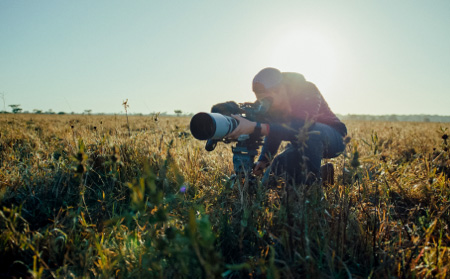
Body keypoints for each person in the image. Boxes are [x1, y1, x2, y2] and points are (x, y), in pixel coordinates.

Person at [227, 67, 347, 185]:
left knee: (311, 134)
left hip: (333, 138)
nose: (266, 104)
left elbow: (302, 127)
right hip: (300, 144)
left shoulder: (306, 90)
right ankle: (324, 172)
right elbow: (274, 132)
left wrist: (256, 127)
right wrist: (264, 159)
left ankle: (312, 187)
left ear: (279, 89)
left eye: (267, 100)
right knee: (271, 177)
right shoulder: (272, 106)